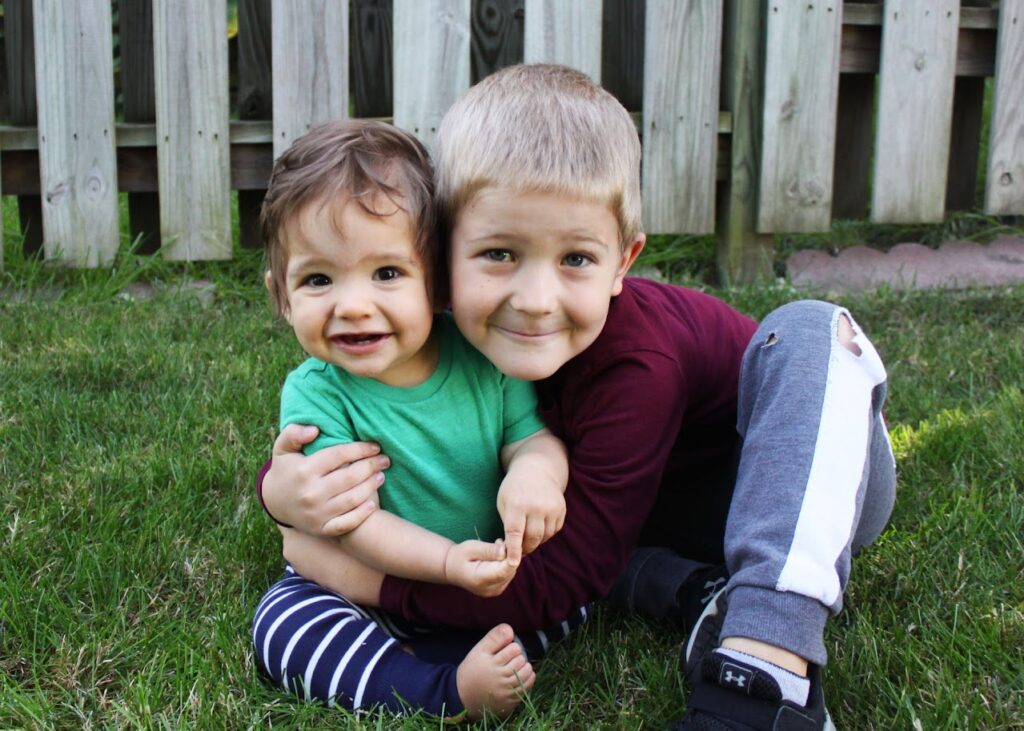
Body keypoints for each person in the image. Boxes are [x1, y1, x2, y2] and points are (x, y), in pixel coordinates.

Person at [261, 65, 896, 731]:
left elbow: (560, 585)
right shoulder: (452, 338)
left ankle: (766, 668)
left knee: (806, 327)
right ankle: (691, 590)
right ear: (441, 257)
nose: (535, 301)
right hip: (645, 518)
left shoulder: (635, 363)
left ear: (624, 262)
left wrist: (365, 580)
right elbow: (364, 417)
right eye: (499, 253)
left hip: (810, 479)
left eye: (576, 260)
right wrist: (280, 490)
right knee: (569, 539)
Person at [251, 118, 582, 720]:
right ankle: (440, 691)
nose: (353, 306)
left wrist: (536, 474)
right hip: (367, 582)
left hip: (486, 572)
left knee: (571, 588)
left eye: (386, 273)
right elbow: (350, 523)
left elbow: (531, 438)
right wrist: (446, 564)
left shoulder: (481, 357)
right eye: (319, 279)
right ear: (282, 296)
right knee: (284, 621)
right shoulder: (316, 395)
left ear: (436, 281)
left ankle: (467, 650)